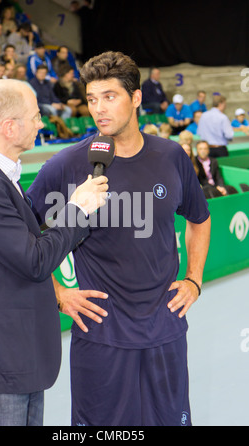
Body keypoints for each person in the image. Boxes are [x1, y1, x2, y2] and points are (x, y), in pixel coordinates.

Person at [27, 51, 211, 426]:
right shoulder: (65, 165)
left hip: (165, 329)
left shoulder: (172, 156)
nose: (98, 109)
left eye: (109, 96)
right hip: (101, 335)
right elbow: (24, 231)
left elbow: (200, 219)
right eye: (92, 99)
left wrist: (194, 279)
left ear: (137, 97)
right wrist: (58, 294)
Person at [0, 78, 109, 426]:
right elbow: (35, 261)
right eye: (36, 116)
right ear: (10, 127)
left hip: (17, 356)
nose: (42, 123)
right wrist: (78, 210)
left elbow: (19, 258)